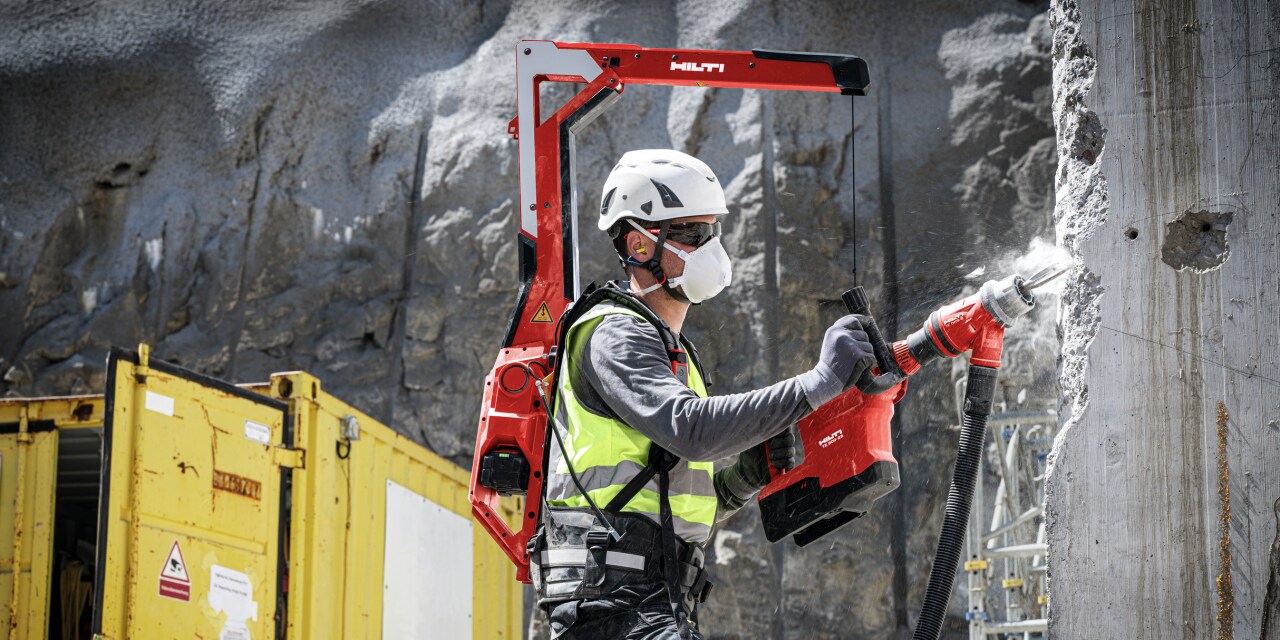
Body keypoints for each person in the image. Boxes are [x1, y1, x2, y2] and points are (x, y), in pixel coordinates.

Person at [532, 149, 879, 639]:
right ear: (638, 245)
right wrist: (818, 382)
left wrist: (742, 478)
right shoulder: (613, 334)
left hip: (652, 600)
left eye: (713, 231)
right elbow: (692, 430)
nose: (711, 247)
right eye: (693, 234)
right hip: (611, 606)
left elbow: (666, 503)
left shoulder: (673, 353)